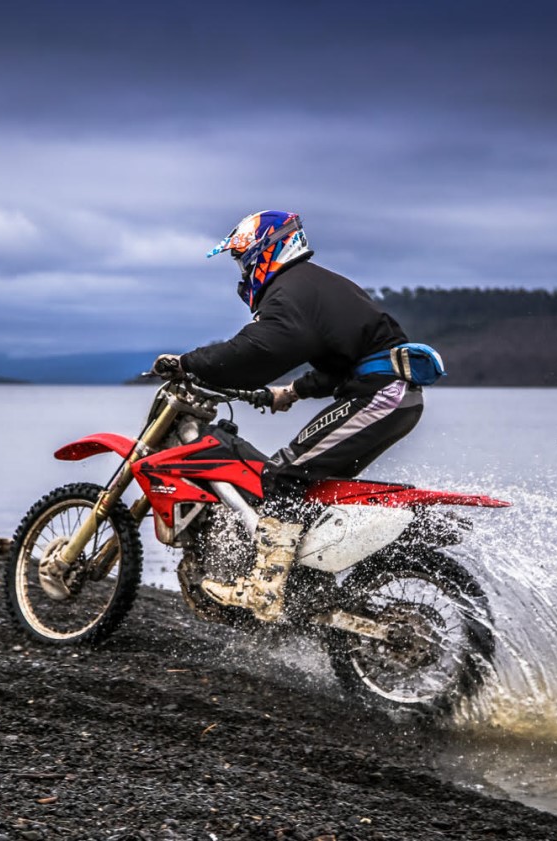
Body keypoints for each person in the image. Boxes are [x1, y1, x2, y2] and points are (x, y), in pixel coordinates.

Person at [152, 210, 424, 623]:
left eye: (243, 258)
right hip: (383, 392)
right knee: (302, 482)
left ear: (266, 250)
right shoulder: (311, 285)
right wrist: (293, 391)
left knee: (282, 474)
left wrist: (189, 363)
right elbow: (342, 360)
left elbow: (255, 351)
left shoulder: (290, 292)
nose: (242, 270)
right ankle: (303, 582)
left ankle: (264, 588)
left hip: (383, 395)